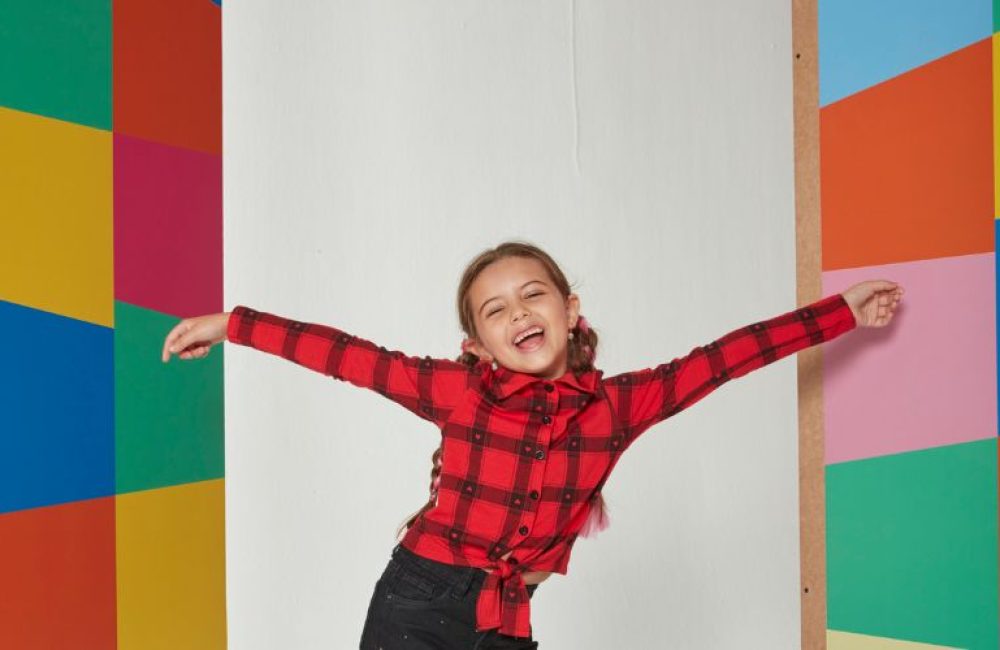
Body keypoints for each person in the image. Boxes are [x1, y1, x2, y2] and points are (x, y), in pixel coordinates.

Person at [160, 240, 903, 649]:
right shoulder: (458, 391)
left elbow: (725, 358)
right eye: (495, 309)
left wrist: (840, 312)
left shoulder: (618, 407)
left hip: (506, 619)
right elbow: (346, 356)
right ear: (474, 344)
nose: (518, 313)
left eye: (533, 295)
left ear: (571, 310)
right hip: (415, 606)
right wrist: (233, 324)